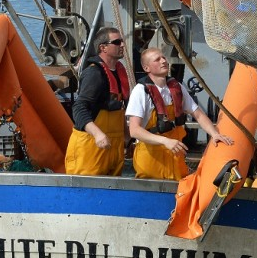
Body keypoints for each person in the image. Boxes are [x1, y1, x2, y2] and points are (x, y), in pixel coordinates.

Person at [125, 47, 234, 180]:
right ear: (147, 68)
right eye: (157, 59)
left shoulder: (176, 87)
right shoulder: (140, 91)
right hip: (151, 160)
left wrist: (215, 134)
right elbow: (134, 130)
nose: (163, 61)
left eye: (163, 57)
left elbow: (198, 114)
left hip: (176, 158)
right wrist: (165, 141)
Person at [64, 27, 130, 176]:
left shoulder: (120, 72)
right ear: (103, 48)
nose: (122, 45)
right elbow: (79, 108)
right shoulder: (94, 73)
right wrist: (98, 134)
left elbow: (121, 107)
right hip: (90, 148)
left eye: (122, 41)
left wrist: (127, 138)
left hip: (113, 148)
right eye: (117, 42)